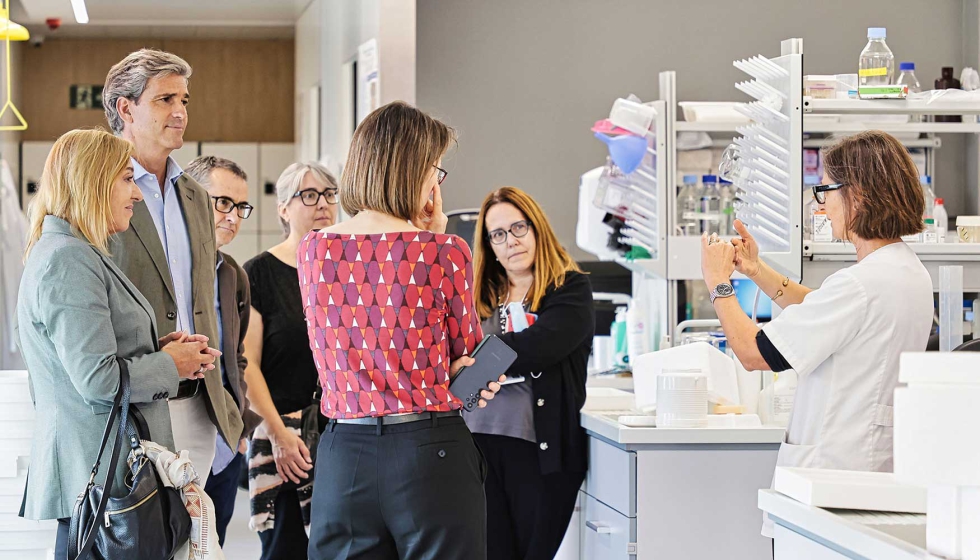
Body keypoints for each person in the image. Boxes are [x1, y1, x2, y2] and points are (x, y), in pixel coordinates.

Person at [298, 101, 504, 560]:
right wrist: (435, 235)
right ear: (412, 170)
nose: (437, 182)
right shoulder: (444, 252)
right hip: (429, 451)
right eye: (436, 170)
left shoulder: (314, 250)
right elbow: (468, 360)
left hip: (342, 452)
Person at [700, 130, 933, 527]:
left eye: (826, 190)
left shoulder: (862, 284)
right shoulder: (904, 270)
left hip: (835, 474)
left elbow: (754, 353)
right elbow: (826, 311)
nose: (822, 205)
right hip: (865, 469)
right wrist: (757, 271)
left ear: (857, 194)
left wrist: (718, 283)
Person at [16, 129, 216, 560]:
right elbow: (97, 380)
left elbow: (93, 355)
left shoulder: (79, 252)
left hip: (106, 477)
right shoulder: (67, 258)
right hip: (100, 479)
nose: (137, 196)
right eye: (127, 180)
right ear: (93, 181)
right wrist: (169, 364)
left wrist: (160, 348)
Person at [104, 49, 245, 484]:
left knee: (192, 545)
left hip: (201, 403)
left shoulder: (196, 198)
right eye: (165, 100)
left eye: (184, 100)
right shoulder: (101, 192)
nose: (180, 112)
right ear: (125, 108)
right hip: (134, 404)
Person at [468, 186, 594, 560]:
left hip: (540, 455)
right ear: (490, 245)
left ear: (537, 228)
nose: (512, 241)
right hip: (473, 449)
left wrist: (471, 364)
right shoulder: (477, 296)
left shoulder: (569, 289)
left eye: (519, 228)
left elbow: (543, 344)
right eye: (499, 234)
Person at [242, 162, 339, 559]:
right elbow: (247, 364)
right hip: (284, 437)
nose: (322, 205)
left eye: (329, 194)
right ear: (283, 208)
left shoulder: (346, 270)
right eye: (309, 195)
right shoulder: (260, 273)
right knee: (286, 548)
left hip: (340, 432)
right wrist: (279, 433)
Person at [183, 155, 264, 546]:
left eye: (241, 207)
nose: (233, 216)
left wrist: (240, 422)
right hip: (179, 443)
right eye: (223, 203)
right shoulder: (170, 268)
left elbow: (238, 355)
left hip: (226, 446)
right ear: (190, 197)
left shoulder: (233, 274)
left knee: (214, 547)